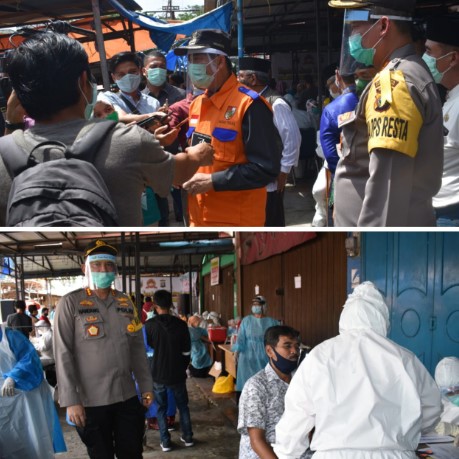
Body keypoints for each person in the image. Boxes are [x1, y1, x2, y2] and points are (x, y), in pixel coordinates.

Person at [0, 32, 214, 226]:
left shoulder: (4, 153)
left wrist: (12, 124)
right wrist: (198, 155)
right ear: (84, 81)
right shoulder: (128, 140)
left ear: (17, 94)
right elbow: (178, 174)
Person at [273, 281, 442, 458]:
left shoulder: (320, 356)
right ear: (382, 318)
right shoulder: (404, 359)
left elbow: (296, 417)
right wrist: (406, 432)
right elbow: (431, 407)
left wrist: (287, 453)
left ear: (345, 316)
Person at [330, 0, 444, 227]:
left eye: (356, 28)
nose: (352, 36)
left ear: (383, 26)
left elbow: (388, 192)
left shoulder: (394, 83)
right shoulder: (405, 71)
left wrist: (369, 249)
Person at [53, 239, 154, 459]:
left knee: (133, 453)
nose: (103, 270)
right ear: (85, 269)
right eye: (97, 264)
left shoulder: (126, 302)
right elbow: (62, 353)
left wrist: (146, 386)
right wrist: (71, 400)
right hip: (91, 401)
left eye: (108, 265)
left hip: (126, 396)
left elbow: (137, 348)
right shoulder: (70, 303)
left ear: (114, 270)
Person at [174, 29, 282, 226]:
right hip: (199, 218)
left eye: (198, 59)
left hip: (236, 222)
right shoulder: (198, 104)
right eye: (190, 60)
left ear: (220, 61)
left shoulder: (249, 104)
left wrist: (212, 181)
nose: (192, 67)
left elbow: (266, 169)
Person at [238, 57, 301, 227]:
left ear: (253, 79)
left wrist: (284, 171)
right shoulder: (247, 101)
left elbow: (292, 139)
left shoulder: (276, 102)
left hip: (270, 181)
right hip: (250, 177)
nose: (237, 80)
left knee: (270, 222)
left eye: (241, 76)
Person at [0, 323, 66, 458]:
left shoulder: (11, 336)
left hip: (25, 397)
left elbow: (30, 359)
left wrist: (13, 377)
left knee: (30, 436)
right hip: (4, 401)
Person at [237, 325, 303, 459]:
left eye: (296, 346)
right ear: (269, 351)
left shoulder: (301, 381)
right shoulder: (256, 386)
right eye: (287, 346)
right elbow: (256, 441)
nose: (294, 351)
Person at [144, 289, 194, 452]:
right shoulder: (181, 324)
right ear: (171, 305)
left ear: (155, 306)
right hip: (177, 373)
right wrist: (183, 366)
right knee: (183, 406)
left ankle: (165, 442)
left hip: (158, 374)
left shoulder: (149, 326)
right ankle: (188, 437)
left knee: (160, 408)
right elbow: (187, 351)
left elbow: (147, 351)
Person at [141, 50, 187, 226]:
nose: (158, 70)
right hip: (152, 161)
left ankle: (183, 222)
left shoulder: (179, 95)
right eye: (153, 67)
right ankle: (164, 223)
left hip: (176, 155)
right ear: (144, 71)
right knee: (159, 204)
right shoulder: (140, 100)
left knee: (181, 199)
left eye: (162, 66)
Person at [423, 14, 459, 226]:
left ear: (453, 58)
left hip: (452, 212)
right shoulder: (450, 96)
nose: (424, 58)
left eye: (429, 51)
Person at [232, 295, 279, 398]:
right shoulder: (246, 320)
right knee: (246, 381)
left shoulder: (272, 322)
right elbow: (240, 337)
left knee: (263, 381)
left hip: (264, 356)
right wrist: (236, 352)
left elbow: (277, 339)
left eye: (258, 305)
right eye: (254, 305)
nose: (255, 307)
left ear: (264, 307)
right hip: (247, 357)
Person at [100, 51, 161, 125]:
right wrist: (151, 116)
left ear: (140, 71)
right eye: (121, 74)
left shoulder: (154, 103)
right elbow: (119, 117)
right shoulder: (108, 98)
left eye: (132, 71)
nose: (128, 77)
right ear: (114, 78)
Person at [434, 356, 459, 445]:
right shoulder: (439, 401)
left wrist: (455, 430)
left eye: (457, 390)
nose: (454, 395)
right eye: (449, 393)